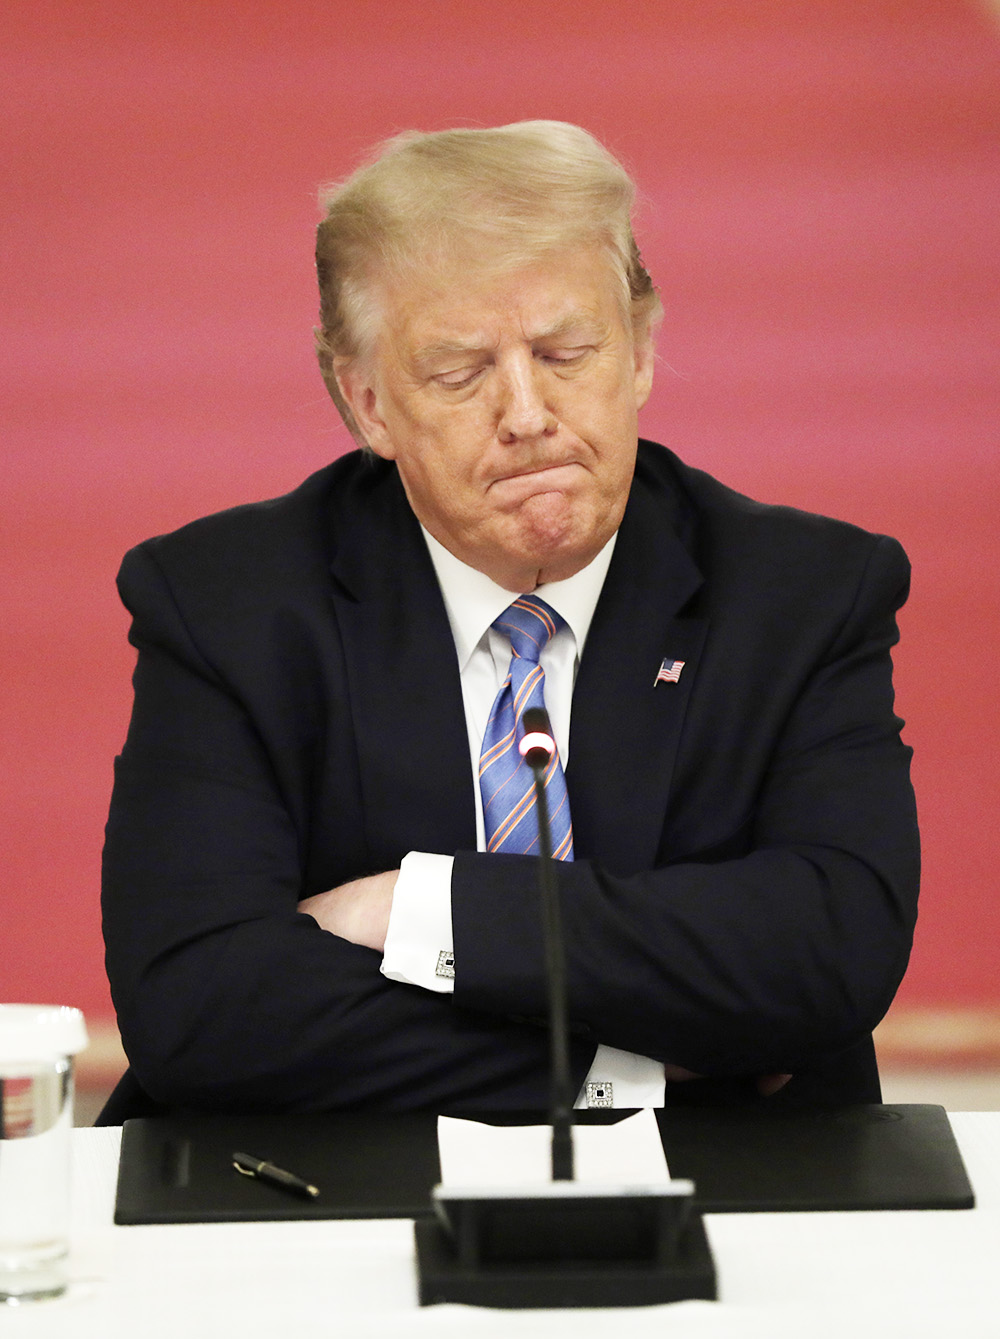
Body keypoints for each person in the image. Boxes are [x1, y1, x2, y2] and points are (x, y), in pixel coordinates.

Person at [99, 122, 919, 1123]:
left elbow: (826, 954)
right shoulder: (228, 605)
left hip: (737, 1197)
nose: (527, 412)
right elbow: (203, 1011)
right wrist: (635, 1068)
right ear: (367, 406)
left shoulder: (803, 593)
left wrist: (416, 911)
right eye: (460, 372)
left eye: (565, 352)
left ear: (641, 352)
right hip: (322, 1210)